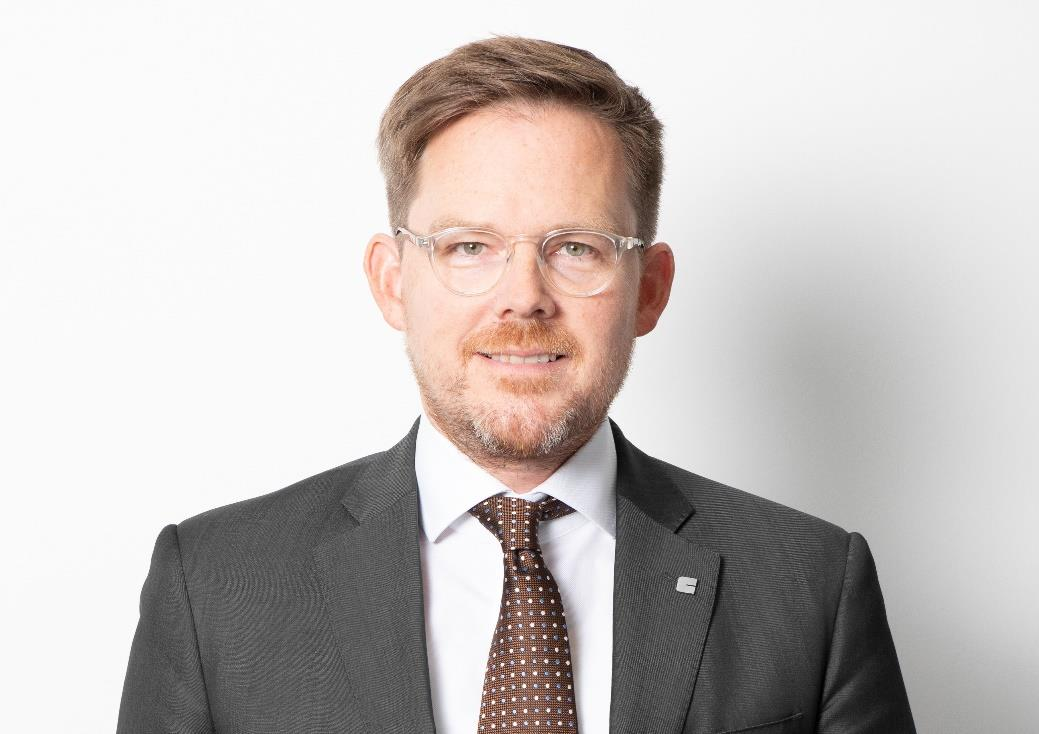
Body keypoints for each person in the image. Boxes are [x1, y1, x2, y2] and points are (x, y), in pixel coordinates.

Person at [117, 36, 915, 734]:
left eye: (576, 247)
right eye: (469, 246)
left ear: (648, 289)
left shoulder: (810, 584)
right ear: (392, 282)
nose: (523, 297)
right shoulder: (215, 585)